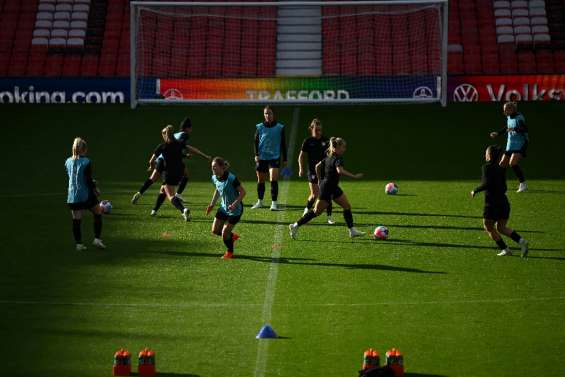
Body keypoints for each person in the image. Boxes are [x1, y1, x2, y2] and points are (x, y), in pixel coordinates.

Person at [289, 137, 365, 239]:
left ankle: (352, 231)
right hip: (327, 189)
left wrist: (320, 180)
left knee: (347, 206)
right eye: (343, 147)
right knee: (316, 212)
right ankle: (295, 226)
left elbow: (317, 166)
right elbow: (340, 171)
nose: (344, 149)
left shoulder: (328, 157)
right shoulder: (338, 159)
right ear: (335, 148)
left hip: (332, 187)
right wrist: (354, 176)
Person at [131, 117, 211, 206]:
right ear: (187, 128)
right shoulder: (184, 135)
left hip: (161, 158)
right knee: (185, 175)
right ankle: (178, 195)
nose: (191, 130)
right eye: (191, 128)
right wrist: (204, 156)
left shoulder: (175, 134)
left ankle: (139, 193)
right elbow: (185, 147)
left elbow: (164, 133)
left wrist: (184, 155)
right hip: (170, 160)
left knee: (152, 178)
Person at [471, 144, 529, 257]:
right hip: (504, 202)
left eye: (486, 153)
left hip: (492, 204)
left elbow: (486, 184)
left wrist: (475, 190)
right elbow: (504, 187)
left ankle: (506, 249)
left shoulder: (486, 167)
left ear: (489, 156)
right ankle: (522, 242)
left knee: (488, 227)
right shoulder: (501, 168)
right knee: (501, 228)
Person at [65, 137, 106, 251]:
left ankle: (79, 244)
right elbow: (87, 179)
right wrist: (95, 188)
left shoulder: (68, 161)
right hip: (85, 194)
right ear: (84, 149)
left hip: (72, 195)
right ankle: (97, 239)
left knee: (76, 219)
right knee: (98, 212)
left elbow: (74, 177)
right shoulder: (87, 161)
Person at [206, 157, 246, 259]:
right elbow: (218, 189)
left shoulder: (231, 178)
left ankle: (230, 252)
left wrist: (234, 204)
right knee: (215, 230)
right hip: (224, 208)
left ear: (221, 167)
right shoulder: (214, 178)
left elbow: (243, 192)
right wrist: (212, 204)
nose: (213, 169)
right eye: (212, 167)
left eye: (214, 167)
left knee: (224, 233)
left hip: (235, 210)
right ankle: (232, 236)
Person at [151, 125, 192, 221]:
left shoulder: (162, 146)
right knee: (163, 190)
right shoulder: (179, 143)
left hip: (168, 173)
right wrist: (202, 155)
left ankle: (183, 210)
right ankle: (154, 210)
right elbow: (189, 149)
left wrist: (152, 167)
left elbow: (151, 160)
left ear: (165, 135)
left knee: (171, 196)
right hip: (178, 172)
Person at [298, 118, 334, 224]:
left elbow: (331, 156)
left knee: (328, 193)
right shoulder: (308, 141)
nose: (319, 132)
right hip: (312, 171)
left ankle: (329, 217)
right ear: (311, 129)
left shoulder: (326, 141)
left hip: (325, 172)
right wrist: (301, 168)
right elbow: (301, 156)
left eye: (320, 130)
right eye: (316, 130)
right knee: (314, 194)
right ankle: (306, 210)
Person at [251, 105, 287, 211]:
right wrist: (256, 155)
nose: (267, 115)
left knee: (273, 179)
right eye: (266, 113)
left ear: (274, 114)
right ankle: (260, 202)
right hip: (261, 157)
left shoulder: (280, 127)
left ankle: (274, 204)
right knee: (260, 180)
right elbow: (255, 141)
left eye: (269, 113)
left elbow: (283, 144)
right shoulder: (259, 127)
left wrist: (285, 160)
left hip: (274, 157)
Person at [489, 101, 529, 192]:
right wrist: (498, 133)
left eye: (505, 110)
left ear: (511, 109)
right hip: (511, 144)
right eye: (504, 110)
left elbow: (525, 129)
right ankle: (500, 183)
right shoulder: (508, 117)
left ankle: (523, 184)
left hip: (520, 143)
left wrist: (515, 129)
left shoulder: (519, 118)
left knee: (512, 163)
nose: (504, 112)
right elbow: (507, 127)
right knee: (502, 163)